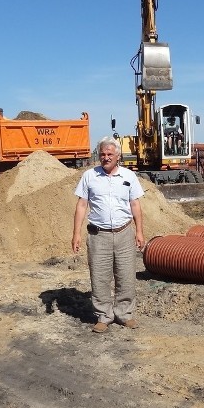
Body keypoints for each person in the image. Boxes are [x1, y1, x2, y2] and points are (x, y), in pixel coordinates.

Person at [72, 136, 145, 333]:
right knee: (100, 277)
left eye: (110, 154)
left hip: (124, 233)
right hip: (98, 236)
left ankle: (124, 314)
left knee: (126, 275)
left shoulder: (129, 177)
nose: (106, 157)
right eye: (103, 154)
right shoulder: (89, 176)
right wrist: (76, 234)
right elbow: (81, 205)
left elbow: (135, 205)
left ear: (118, 156)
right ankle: (104, 316)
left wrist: (139, 231)